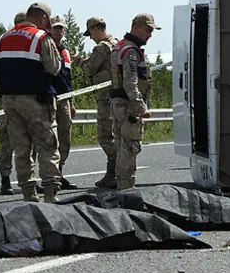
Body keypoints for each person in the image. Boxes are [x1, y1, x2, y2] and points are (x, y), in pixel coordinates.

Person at [0, 2, 63, 202]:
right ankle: (50, 194)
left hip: (9, 101)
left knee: (21, 149)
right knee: (48, 146)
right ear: (42, 19)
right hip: (36, 100)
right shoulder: (41, 37)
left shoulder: (2, 39)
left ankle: (28, 194)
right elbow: (53, 67)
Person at [109, 13, 159, 190]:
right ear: (136, 27)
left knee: (123, 147)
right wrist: (141, 106)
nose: (150, 35)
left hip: (118, 103)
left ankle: (122, 188)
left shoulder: (119, 46)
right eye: (147, 30)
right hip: (128, 106)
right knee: (129, 149)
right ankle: (126, 190)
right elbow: (130, 83)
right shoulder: (131, 51)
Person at [0, 11, 39, 195]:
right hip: (9, 98)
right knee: (7, 141)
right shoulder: (5, 41)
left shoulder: (29, 42)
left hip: (25, 97)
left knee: (32, 141)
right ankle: (5, 179)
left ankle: (30, 179)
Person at [74, 17, 119, 189]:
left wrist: (80, 61)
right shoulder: (116, 43)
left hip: (106, 98)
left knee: (105, 136)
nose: (91, 37)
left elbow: (89, 69)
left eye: (90, 33)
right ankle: (113, 173)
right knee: (115, 134)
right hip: (117, 96)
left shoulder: (101, 47)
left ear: (95, 29)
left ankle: (114, 172)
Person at [48, 16, 78, 191]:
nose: (58, 31)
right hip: (49, 98)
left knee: (65, 136)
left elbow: (68, 79)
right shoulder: (44, 47)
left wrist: (72, 101)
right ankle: (47, 176)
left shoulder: (65, 51)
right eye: (55, 28)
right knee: (49, 138)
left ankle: (59, 173)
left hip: (64, 99)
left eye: (61, 28)